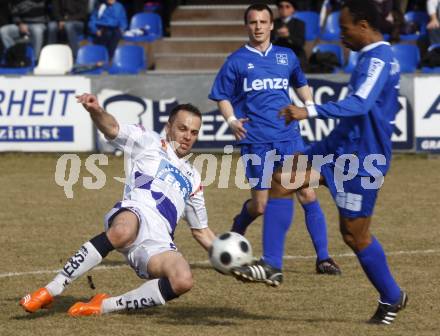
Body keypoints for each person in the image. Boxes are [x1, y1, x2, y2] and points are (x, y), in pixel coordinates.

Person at [232, 0, 408, 325]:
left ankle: (393, 296)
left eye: (345, 29)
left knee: (355, 235)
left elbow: (360, 104)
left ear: (365, 26)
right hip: (336, 149)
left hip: (361, 160)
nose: (341, 36)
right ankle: (271, 264)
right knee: (282, 179)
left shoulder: (380, 58)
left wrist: (308, 110)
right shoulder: (369, 57)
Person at [19, 95, 216, 316]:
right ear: (168, 127)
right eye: (182, 128)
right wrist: (95, 110)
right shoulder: (147, 141)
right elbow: (112, 127)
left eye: (194, 132)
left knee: (183, 280)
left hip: (159, 243)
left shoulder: (194, 178)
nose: (187, 136)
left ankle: (102, 306)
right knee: (123, 230)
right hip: (135, 214)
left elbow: (202, 231)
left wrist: (231, 258)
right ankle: (51, 289)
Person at [209, 3, 341, 287]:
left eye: (263, 21)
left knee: (306, 193)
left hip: (289, 138)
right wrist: (231, 120)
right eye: (253, 22)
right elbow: (221, 95)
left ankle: (324, 258)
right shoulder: (236, 61)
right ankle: (239, 226)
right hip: (256, 142)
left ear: (271, 25)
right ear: (247, 26)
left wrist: (309, 105)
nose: (258, 26)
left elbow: (301, 82)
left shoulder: (286, 56)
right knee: (260, 205)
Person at [272, 0, 307, 68]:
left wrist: (288, 36)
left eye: (287, 6)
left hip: (295, 54)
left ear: (293, 9)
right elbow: (268, 42)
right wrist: (276, 35)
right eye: (281, 6)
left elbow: (301, 43)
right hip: (277, 54)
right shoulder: (273, 23)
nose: (284, 9)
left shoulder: (299, 24)